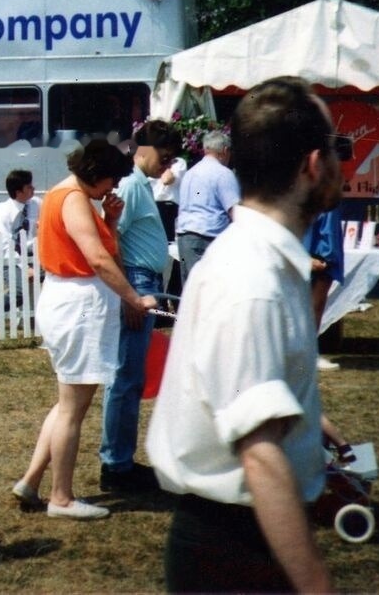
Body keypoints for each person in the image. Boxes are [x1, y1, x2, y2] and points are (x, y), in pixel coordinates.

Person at [146, 76, 342, 593]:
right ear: (312, 166)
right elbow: (259, 454)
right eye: (337, 148)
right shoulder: (253, 279)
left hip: (239, 536)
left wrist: (299, 418)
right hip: (234, 547)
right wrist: (316, 584)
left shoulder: (259, 263)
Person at [12, 139, 158, 520]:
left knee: (66, 404)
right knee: (73, 410)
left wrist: (109, 221)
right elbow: (97, 258)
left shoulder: (70, 195)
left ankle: (30, 481)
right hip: (76, 306)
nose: (112, 188)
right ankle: (61, 498)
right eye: (110, 180)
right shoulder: (74, 198)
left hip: (69, 301)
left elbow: (99, 247)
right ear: (96, 173)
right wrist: (133, 298)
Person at [99, 120, 180, 493]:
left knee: (130, 378)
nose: (168, 166)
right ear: (143, 150)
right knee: (127, 378)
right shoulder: (131, 186)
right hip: (136, 282)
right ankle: (116, 466)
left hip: (143, 281)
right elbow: (111, 240)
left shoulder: (139, 185)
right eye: (164, 158)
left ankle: (120, 460)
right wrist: (128, 294)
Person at [174, 130, 240, 285]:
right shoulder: (223, 174)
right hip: (207, 239)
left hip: (184, 238)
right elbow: (235, 212)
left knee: (192, 293)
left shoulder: (190, 173)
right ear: (225, 151)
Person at [305, 208, 346, 371]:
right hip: (318, 255)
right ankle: (309, 356)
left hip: (324, 253)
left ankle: (309, 353)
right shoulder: (319, 195)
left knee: (316, 307)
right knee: (313, 307)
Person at [0, 169, 40, 253]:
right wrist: (22, 264)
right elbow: (4, 242)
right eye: (29, 187)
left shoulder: (38, 204)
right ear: (18, 192)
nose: (33, 188)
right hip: (12, 258)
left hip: (35, 255)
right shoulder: (2, 211)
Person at [150, 155, 187, 241]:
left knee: (167, 240)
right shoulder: (152, 162)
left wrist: (164, 164)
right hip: (152, 204)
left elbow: (167, 179)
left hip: (168, 205)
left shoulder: (179, 162)